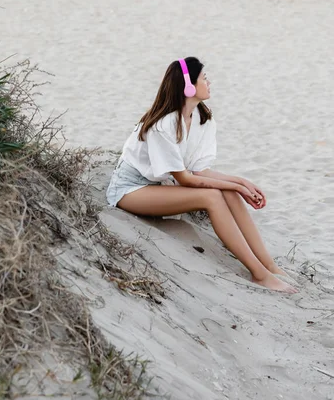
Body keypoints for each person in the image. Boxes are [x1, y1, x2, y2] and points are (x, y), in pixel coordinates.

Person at [106, 57, 297, 294]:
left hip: (157, 186)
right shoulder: (164, 125)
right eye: (204, 78)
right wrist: (239, 187)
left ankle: (269, 266)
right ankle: (259, 275)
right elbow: (185, 179)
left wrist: (241, 182)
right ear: (188, 86)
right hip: (130, 190)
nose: (209, 81)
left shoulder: (201, 118)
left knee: (224, 190)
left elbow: (200, 171)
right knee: (212, 197)